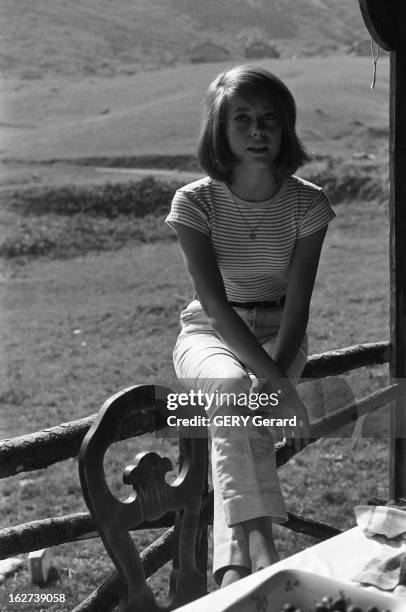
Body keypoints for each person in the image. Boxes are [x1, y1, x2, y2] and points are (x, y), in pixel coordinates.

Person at [165, 65, 335, 588]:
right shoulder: (194, 203)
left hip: (280, 332)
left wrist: (277, 372)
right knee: (237, 393)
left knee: (238, 414)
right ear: (221, 128)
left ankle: (234, 566)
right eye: (243, 119)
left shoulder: (308, 202)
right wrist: (276, 385)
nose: (258, 130)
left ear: (285, 128)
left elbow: (300, 303)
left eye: (269, 119)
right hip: (209, 333)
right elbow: (214, 306)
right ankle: (262, 549)